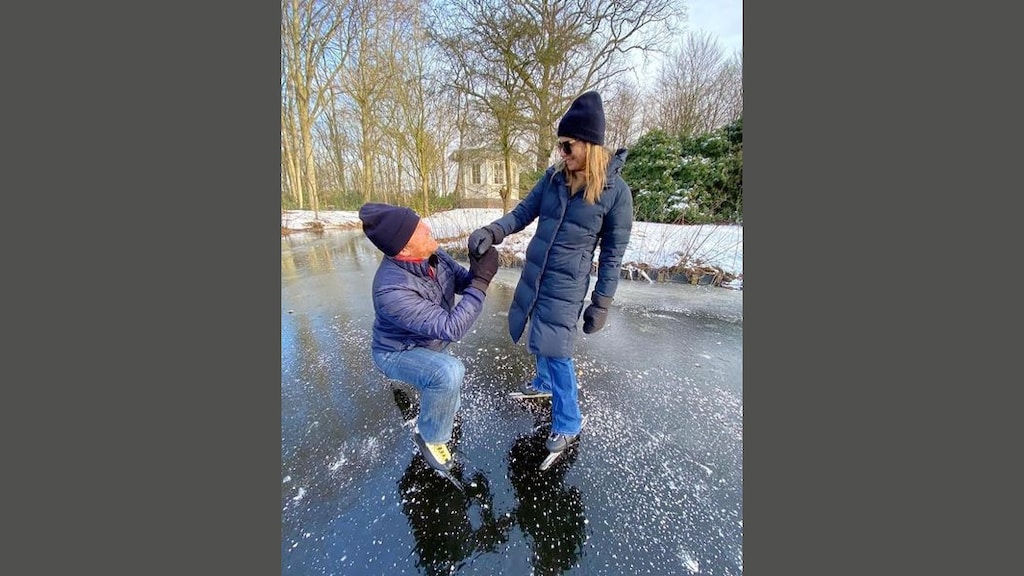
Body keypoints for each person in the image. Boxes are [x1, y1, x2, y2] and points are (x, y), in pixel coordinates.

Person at [467, 90, 633, 454]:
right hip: (537, 271)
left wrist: (601, 303)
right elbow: (522, 212)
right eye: (559, 145)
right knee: (537, 332)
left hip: (568, 284)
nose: (562, 152)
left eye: (568, 145)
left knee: (557, 350)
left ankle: (569, 421)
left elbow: (612, 255)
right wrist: (491, 232)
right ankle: (543, 382)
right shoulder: (554, 178)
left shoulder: (615, 192)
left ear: (588, 144)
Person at [359, 202, 499, 473]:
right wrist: (482, 282)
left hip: (429, 342)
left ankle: (436, 410)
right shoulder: (391, 290)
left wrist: (478, 264)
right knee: (448, 373)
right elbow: (452, 328)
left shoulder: (433, 255)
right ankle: (431, 438)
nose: (427, 228)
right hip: (397, 351)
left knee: (448, 395)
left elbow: (462, 282)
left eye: (421, 222)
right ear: (403, 249)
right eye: (418, 229)